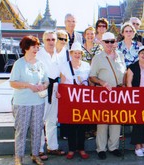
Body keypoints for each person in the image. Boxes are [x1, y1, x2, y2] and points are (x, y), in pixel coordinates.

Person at [10, 35, 49, 165]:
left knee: (37, 129)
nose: (36, 49)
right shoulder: (19, 64)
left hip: (38, 102)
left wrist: (44, 85)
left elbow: (46, 80)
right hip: (22, 103)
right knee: (21, 131)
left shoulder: (40, 64)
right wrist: (29, 85)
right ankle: (19, 158)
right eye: (34, 46)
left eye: (38, 46)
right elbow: (13, 83)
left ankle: (35, 155)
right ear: (26, 47)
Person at [89, 32, 127, 160]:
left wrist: (124, 83)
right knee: (103, 122)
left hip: (118, 93)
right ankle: (101, 148)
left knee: (116, 121)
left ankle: (113, 147)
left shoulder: (120, 55)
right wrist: (102, 82)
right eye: (107, 42)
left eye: (112, 41)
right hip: (104, 93)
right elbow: (92, 76)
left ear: (115, 42)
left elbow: (124, 73)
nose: (110, 44)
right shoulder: (98, 58)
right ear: (102, 43)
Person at [58, 42, 90, 160]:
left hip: (82, 100)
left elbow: (89, 81)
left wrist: (84, 83)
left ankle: (81, 148)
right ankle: (71, 149)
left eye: (79, 53)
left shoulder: (86, 65)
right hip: (70, 100)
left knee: (82, 126)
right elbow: (61, 82)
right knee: (71, 125)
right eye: (75, 53)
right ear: (71, 54)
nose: (77, 55)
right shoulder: (64, 65)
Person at [37, 31, 65, 161]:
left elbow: (60, 75)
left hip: (54, 89)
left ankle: (53, 146)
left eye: (53, 39)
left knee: (52, 120)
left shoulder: (58, 56)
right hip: (42, 89)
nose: (51, 42)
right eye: (48, 39)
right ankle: (39, 149)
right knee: (40, 120)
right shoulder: (39, 54)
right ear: (43, 41)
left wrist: (59, 89)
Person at [126, 45, 144, 157]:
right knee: (138, 123)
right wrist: (132, 98)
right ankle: (137, 145)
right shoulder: (132, 67)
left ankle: (143, 144)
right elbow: (129, 84)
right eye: (142, 53)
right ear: (138, 55)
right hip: (137, 98)